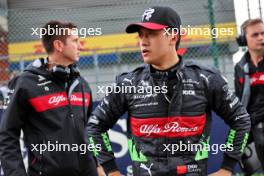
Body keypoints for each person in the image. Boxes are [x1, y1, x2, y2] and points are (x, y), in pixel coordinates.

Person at [86, 6, 251, 176]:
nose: (143, 41)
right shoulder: (128, 83)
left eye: (151, 34)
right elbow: (94, 126)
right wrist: (111, 171)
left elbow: (241, 120)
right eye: (141, 35)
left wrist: (227, 169)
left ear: (173, 36)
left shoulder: (205, 79)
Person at [0, 21, 98, 176]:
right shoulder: (25, 84)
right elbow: (7, 135)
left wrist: (97, 165)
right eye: (75, 41)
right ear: (59, 45)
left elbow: (91, 131)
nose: (81, 46)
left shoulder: (82, 84)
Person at [234, 18, 264, 173]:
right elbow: (240, 100)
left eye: (263, 33)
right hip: (253, 123)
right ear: (244, 39)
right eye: (255, 34)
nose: (261, 37)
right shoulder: (241, 67)